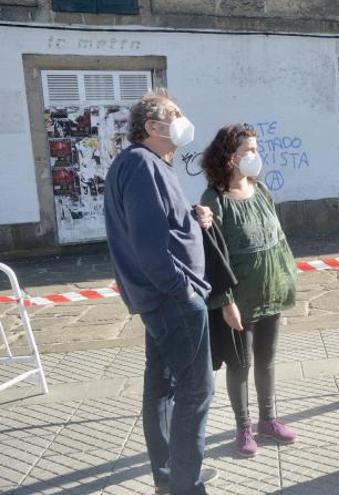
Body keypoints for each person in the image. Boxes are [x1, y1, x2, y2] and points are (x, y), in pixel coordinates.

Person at [103, 90, 217, 495]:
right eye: (176, 114)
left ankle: (170, 478)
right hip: (172, 302)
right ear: (153, 127)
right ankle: (187, 485)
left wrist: (192, 217)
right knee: (196, 392)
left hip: (162, 299)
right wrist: (182, 291)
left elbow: (158, 222)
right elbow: (149, 245)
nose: (184, 120)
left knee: (163, 388)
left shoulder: (147, 164)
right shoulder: (140, 164)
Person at [199, 124, 298, 458]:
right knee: (240, 365)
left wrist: (286, 285)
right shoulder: (213, 199)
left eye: (256, 150)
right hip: (238, 302)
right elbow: (212, 258)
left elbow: (278, 241)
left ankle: (268, 420)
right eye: (249, 151)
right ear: (230, 157)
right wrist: (225, 303)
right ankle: (243, 429)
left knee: (267, 361)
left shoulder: (262, 189)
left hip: (269, 295)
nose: (256, 156)